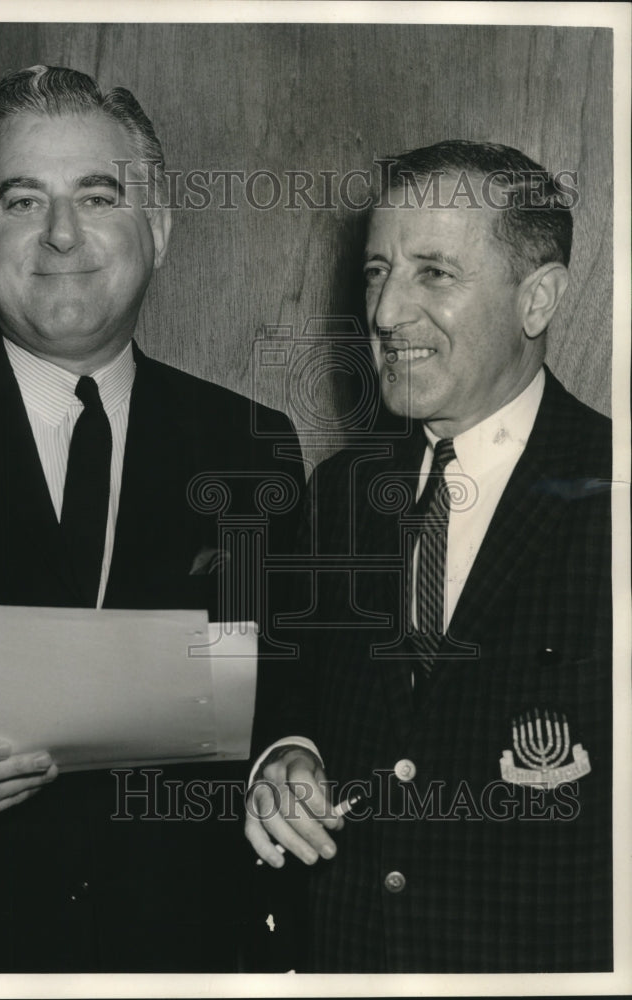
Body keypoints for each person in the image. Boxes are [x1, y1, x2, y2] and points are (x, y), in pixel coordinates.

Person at [0, 65, 302, 973]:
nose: (61, 234)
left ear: (160, 227)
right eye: (22, 201)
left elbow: (290, 681)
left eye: (98, 195)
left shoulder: (251, 445)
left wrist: (288, 754)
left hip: (189, 957)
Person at [245, 140, 613, 972]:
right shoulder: (337, 494)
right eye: (376, 272)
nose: (383, 313)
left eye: (432, 274)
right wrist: (286, 752)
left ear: (537, 298)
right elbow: (287, 685)